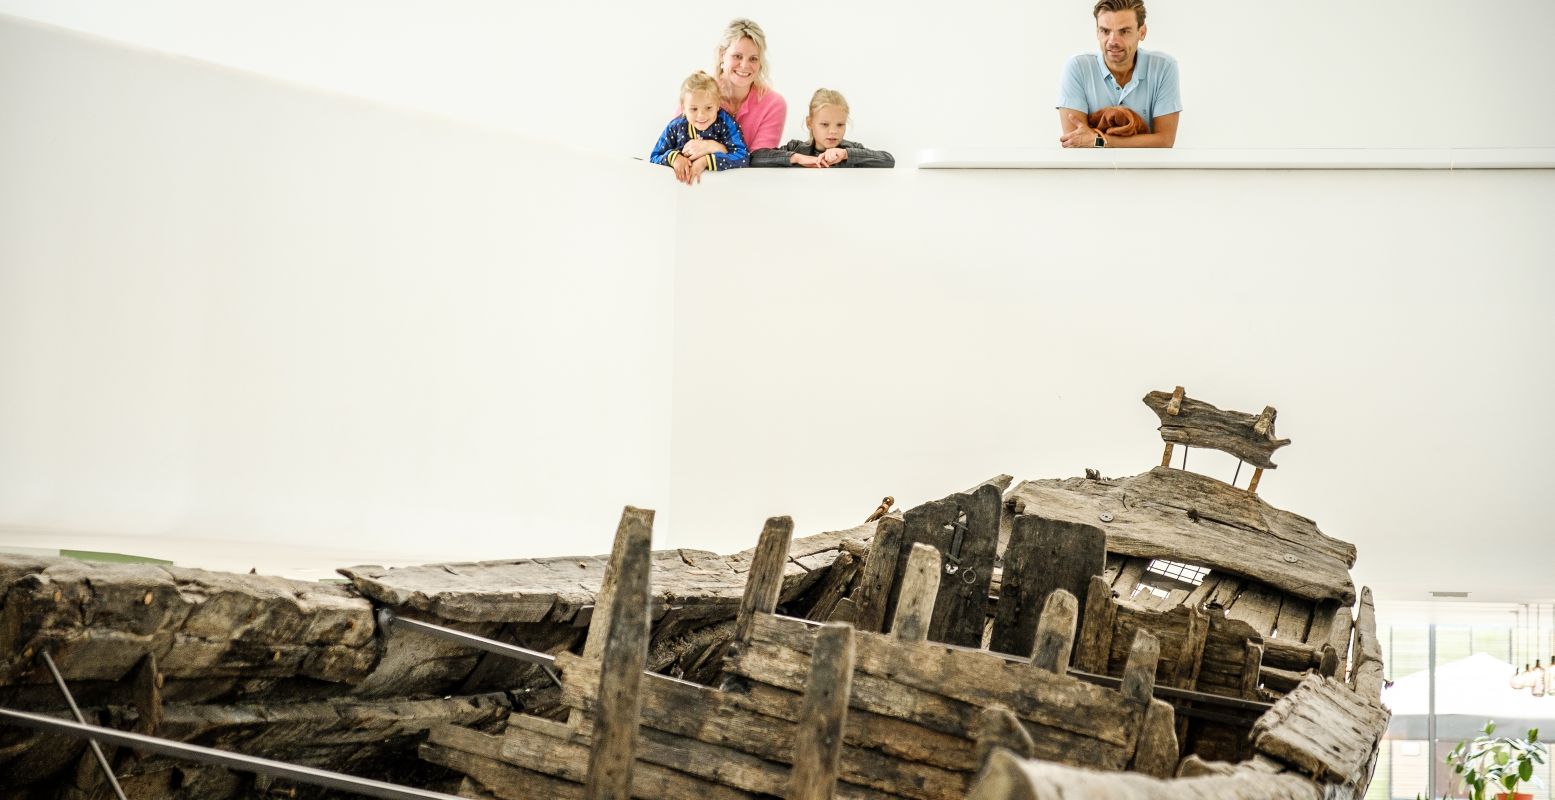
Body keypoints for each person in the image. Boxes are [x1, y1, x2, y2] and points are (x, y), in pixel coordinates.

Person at [1056, 0, 1181, 148]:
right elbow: (1075, 141)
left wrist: (1100, 141)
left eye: (1124, 31)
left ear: (1142, 32)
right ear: (1097, 32)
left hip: (1146, 169)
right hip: (1091, 170)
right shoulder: (1077, 68)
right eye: (1105, 31)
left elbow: (1165, 141)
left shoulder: (1164, 68)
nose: (1113, 41)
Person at [750, 89, 894, 168]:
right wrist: (797, 158)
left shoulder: (851, 150)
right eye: (824, 124)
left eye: (840, 124)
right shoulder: (796, 148)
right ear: (810, 123)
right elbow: (755, 157)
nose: (833, 131)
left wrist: (845, 154)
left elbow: (888, 160)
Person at [650, 72, 749, 184]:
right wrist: (674, 158)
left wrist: (706, 161)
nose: (701, 115)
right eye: (694, 109)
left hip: (719, 187)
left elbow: (743, 157)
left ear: (717, 105)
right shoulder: (675, 127)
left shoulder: (726, 123)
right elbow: (654, 157)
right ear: (683, 108)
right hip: (683, 188)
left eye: (708, 108)